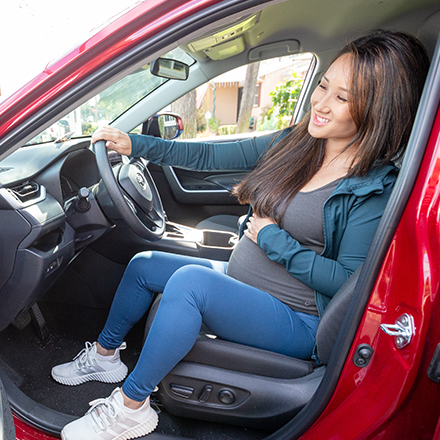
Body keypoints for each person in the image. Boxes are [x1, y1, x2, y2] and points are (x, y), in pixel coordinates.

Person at [53, 30, 429, 440]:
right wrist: (136, 144)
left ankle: (131, 407)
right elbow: (208, 155)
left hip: (299, 318)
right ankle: (105, 357)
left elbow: (348, 283)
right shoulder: (300, 144)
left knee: (190, 284)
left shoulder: (372, 190)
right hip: (246, 281)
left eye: (342, 98)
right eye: (323, 86)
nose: (320, 104)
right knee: (145, 265)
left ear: (377, 110)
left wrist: (273, 241)